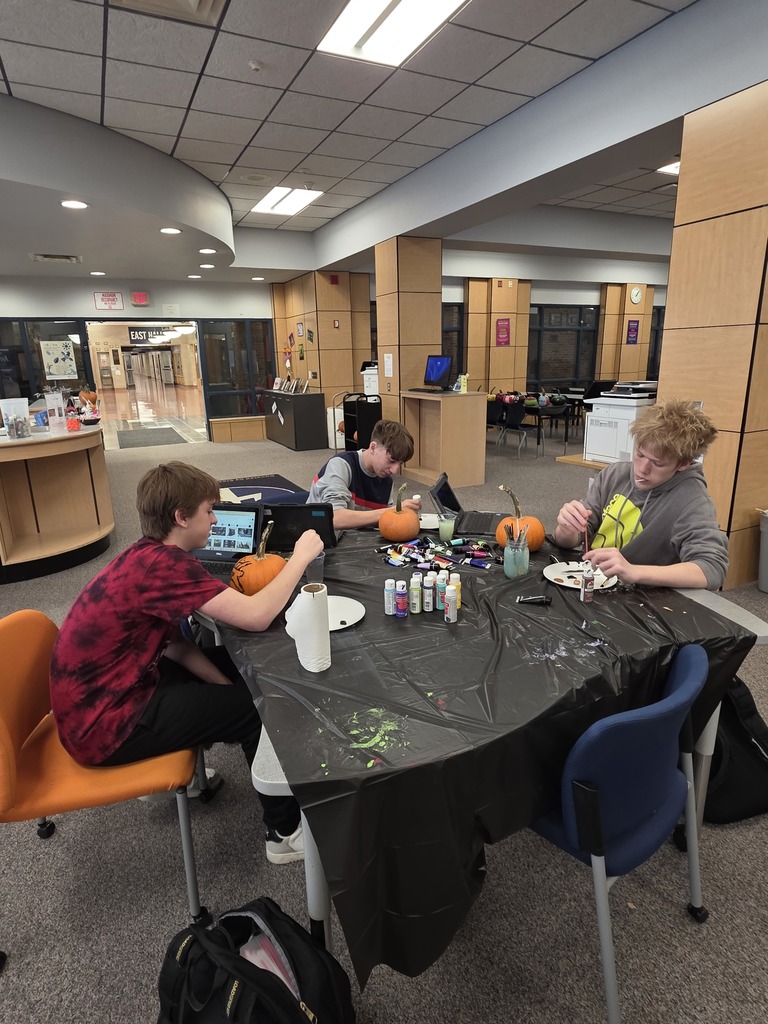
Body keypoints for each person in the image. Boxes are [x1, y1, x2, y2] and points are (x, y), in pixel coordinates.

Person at [49, 461, 324, 864]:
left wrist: (223, 686)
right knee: (255, 711)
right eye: (209, 511)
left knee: (240, 672)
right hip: (103, 727)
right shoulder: (166, 566)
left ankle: (216, 748)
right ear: (181, 517)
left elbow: (175, 645)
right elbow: (257, 616)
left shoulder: (147, 555)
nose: (215, 520)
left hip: (108, 694)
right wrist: (300, 557)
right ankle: (283, 833)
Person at [554, 399, 728, 590]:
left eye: (658, 463)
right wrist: (567, 528)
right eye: (640, 454)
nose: (642, 469)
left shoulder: (692, 501)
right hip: (593, 584)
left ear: (684, 463)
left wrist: (634, 571)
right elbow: (569, 541)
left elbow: (712, 569)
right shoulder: (614, 475)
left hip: (643, 599)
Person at [307, 418, 421, 529]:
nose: (394, 470)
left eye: (400, 463)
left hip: (354, 540)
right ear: (373, 448)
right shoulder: (341, 465)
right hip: (319, 540)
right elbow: (334, 518)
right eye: (391, 461)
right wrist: (394, 510)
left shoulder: (386, 481)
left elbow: (383, 521)